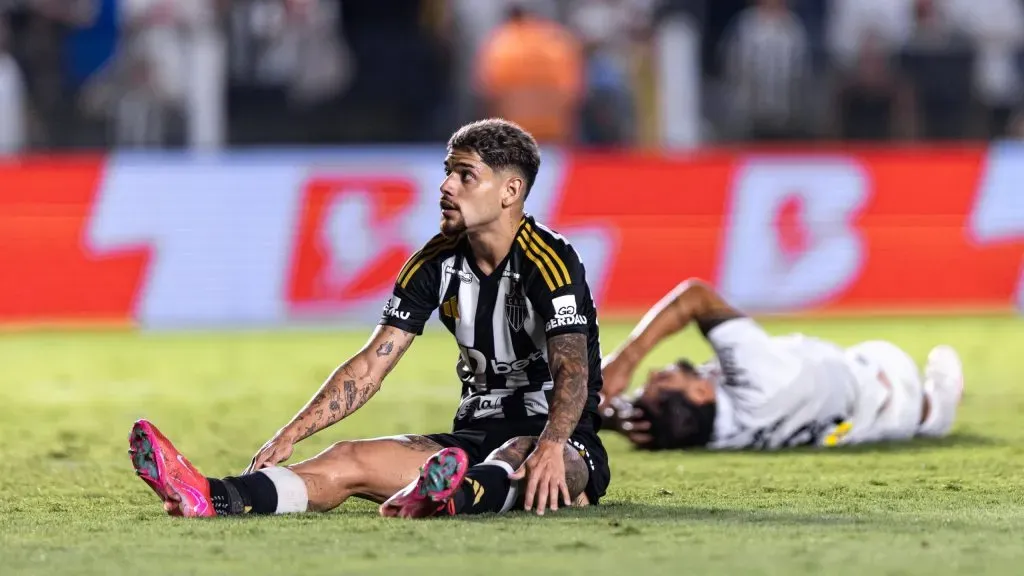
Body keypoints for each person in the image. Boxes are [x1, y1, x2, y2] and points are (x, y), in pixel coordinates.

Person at [128, 118, 610, 518]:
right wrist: (292, 432)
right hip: (470, 440)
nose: (444, 185)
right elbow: (368, 368)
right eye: (447, 171)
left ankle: (452, 494)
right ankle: (210, 494)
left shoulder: (550, 260)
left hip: (562, 443)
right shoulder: (433, 264)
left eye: (465, 175)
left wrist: (552, 445)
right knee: (347, 458)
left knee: (518, 456)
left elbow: (572, 368)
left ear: (510, 191)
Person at [598, 279, 964, 451]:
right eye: (662, 381)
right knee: (893, 369)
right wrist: (626, 358)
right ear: (699, 391)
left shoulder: (699, 432)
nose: (654, 373)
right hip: (887, 391)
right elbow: (695, 297)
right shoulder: (758, 380)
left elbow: (653, 425)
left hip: (847, 426)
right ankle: (934, 410)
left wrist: (611, 418)